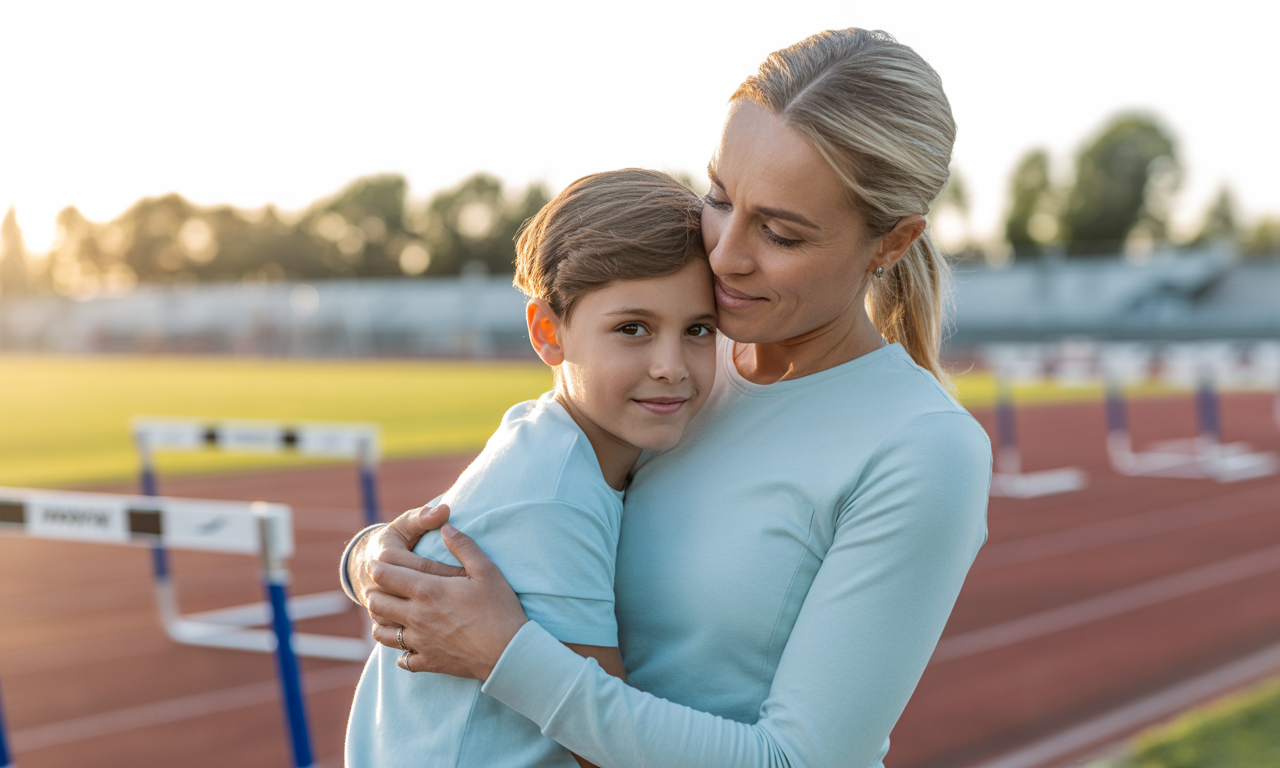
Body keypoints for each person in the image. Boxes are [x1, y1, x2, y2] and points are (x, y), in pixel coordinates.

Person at [345, 28, 992, 768]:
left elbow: (796, 761)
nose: (724, 254)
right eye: (719, 198)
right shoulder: (685, 360)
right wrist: (376, 563)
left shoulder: (923, 448)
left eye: (780, 234)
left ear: (892, 242)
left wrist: (503, 654)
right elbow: (523, 505)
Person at [341, 169, 718, 768]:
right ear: (548, 333)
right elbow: (608, 748)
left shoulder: (548, 436)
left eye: (698, 329)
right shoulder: (555, 495)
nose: (671, 365)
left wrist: (362, 556)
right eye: (632, 329)